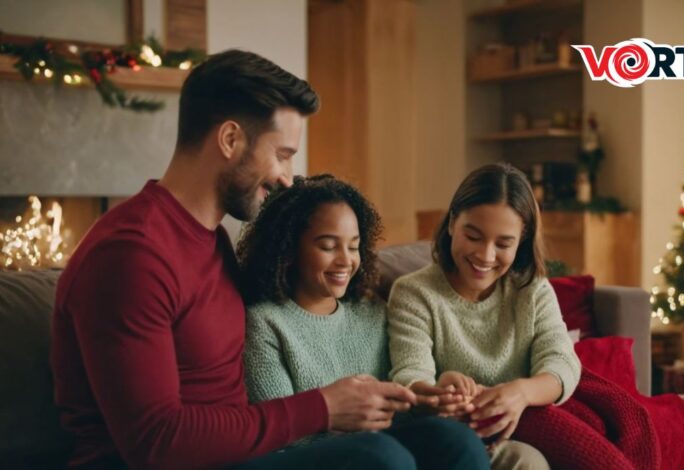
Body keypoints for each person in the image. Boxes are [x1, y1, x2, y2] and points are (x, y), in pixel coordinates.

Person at [51, 50, 420, 470]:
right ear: (230, 140)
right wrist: (322, 407)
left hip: (242, 456)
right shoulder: (131, 255)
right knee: (377, 459)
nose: (287, 177)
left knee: (448, 441)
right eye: (282, 154)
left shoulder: (211, 239)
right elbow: (155, 443)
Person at [235, 174, 490, 470]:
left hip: (384, 447)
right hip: (319, 458)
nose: (346, 261)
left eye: (353, 246)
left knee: (457, 439)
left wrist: (432, 401)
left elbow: (404, 405)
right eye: (329, 246)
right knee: (383, 455)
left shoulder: (373, 312)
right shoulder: (265, 323)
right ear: (288, 250)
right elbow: (281, 435)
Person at [387, 162, 582, 469]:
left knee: (527, 461)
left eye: (503, 244)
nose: (486, 256)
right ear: (452, 223)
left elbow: (562, 365)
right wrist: (441, 393)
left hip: (517, 431)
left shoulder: (532, 291)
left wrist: (520, 393)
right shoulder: (414, 293)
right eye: (474, 236)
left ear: (522, 241)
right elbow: (410, 375)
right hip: (447, 436)